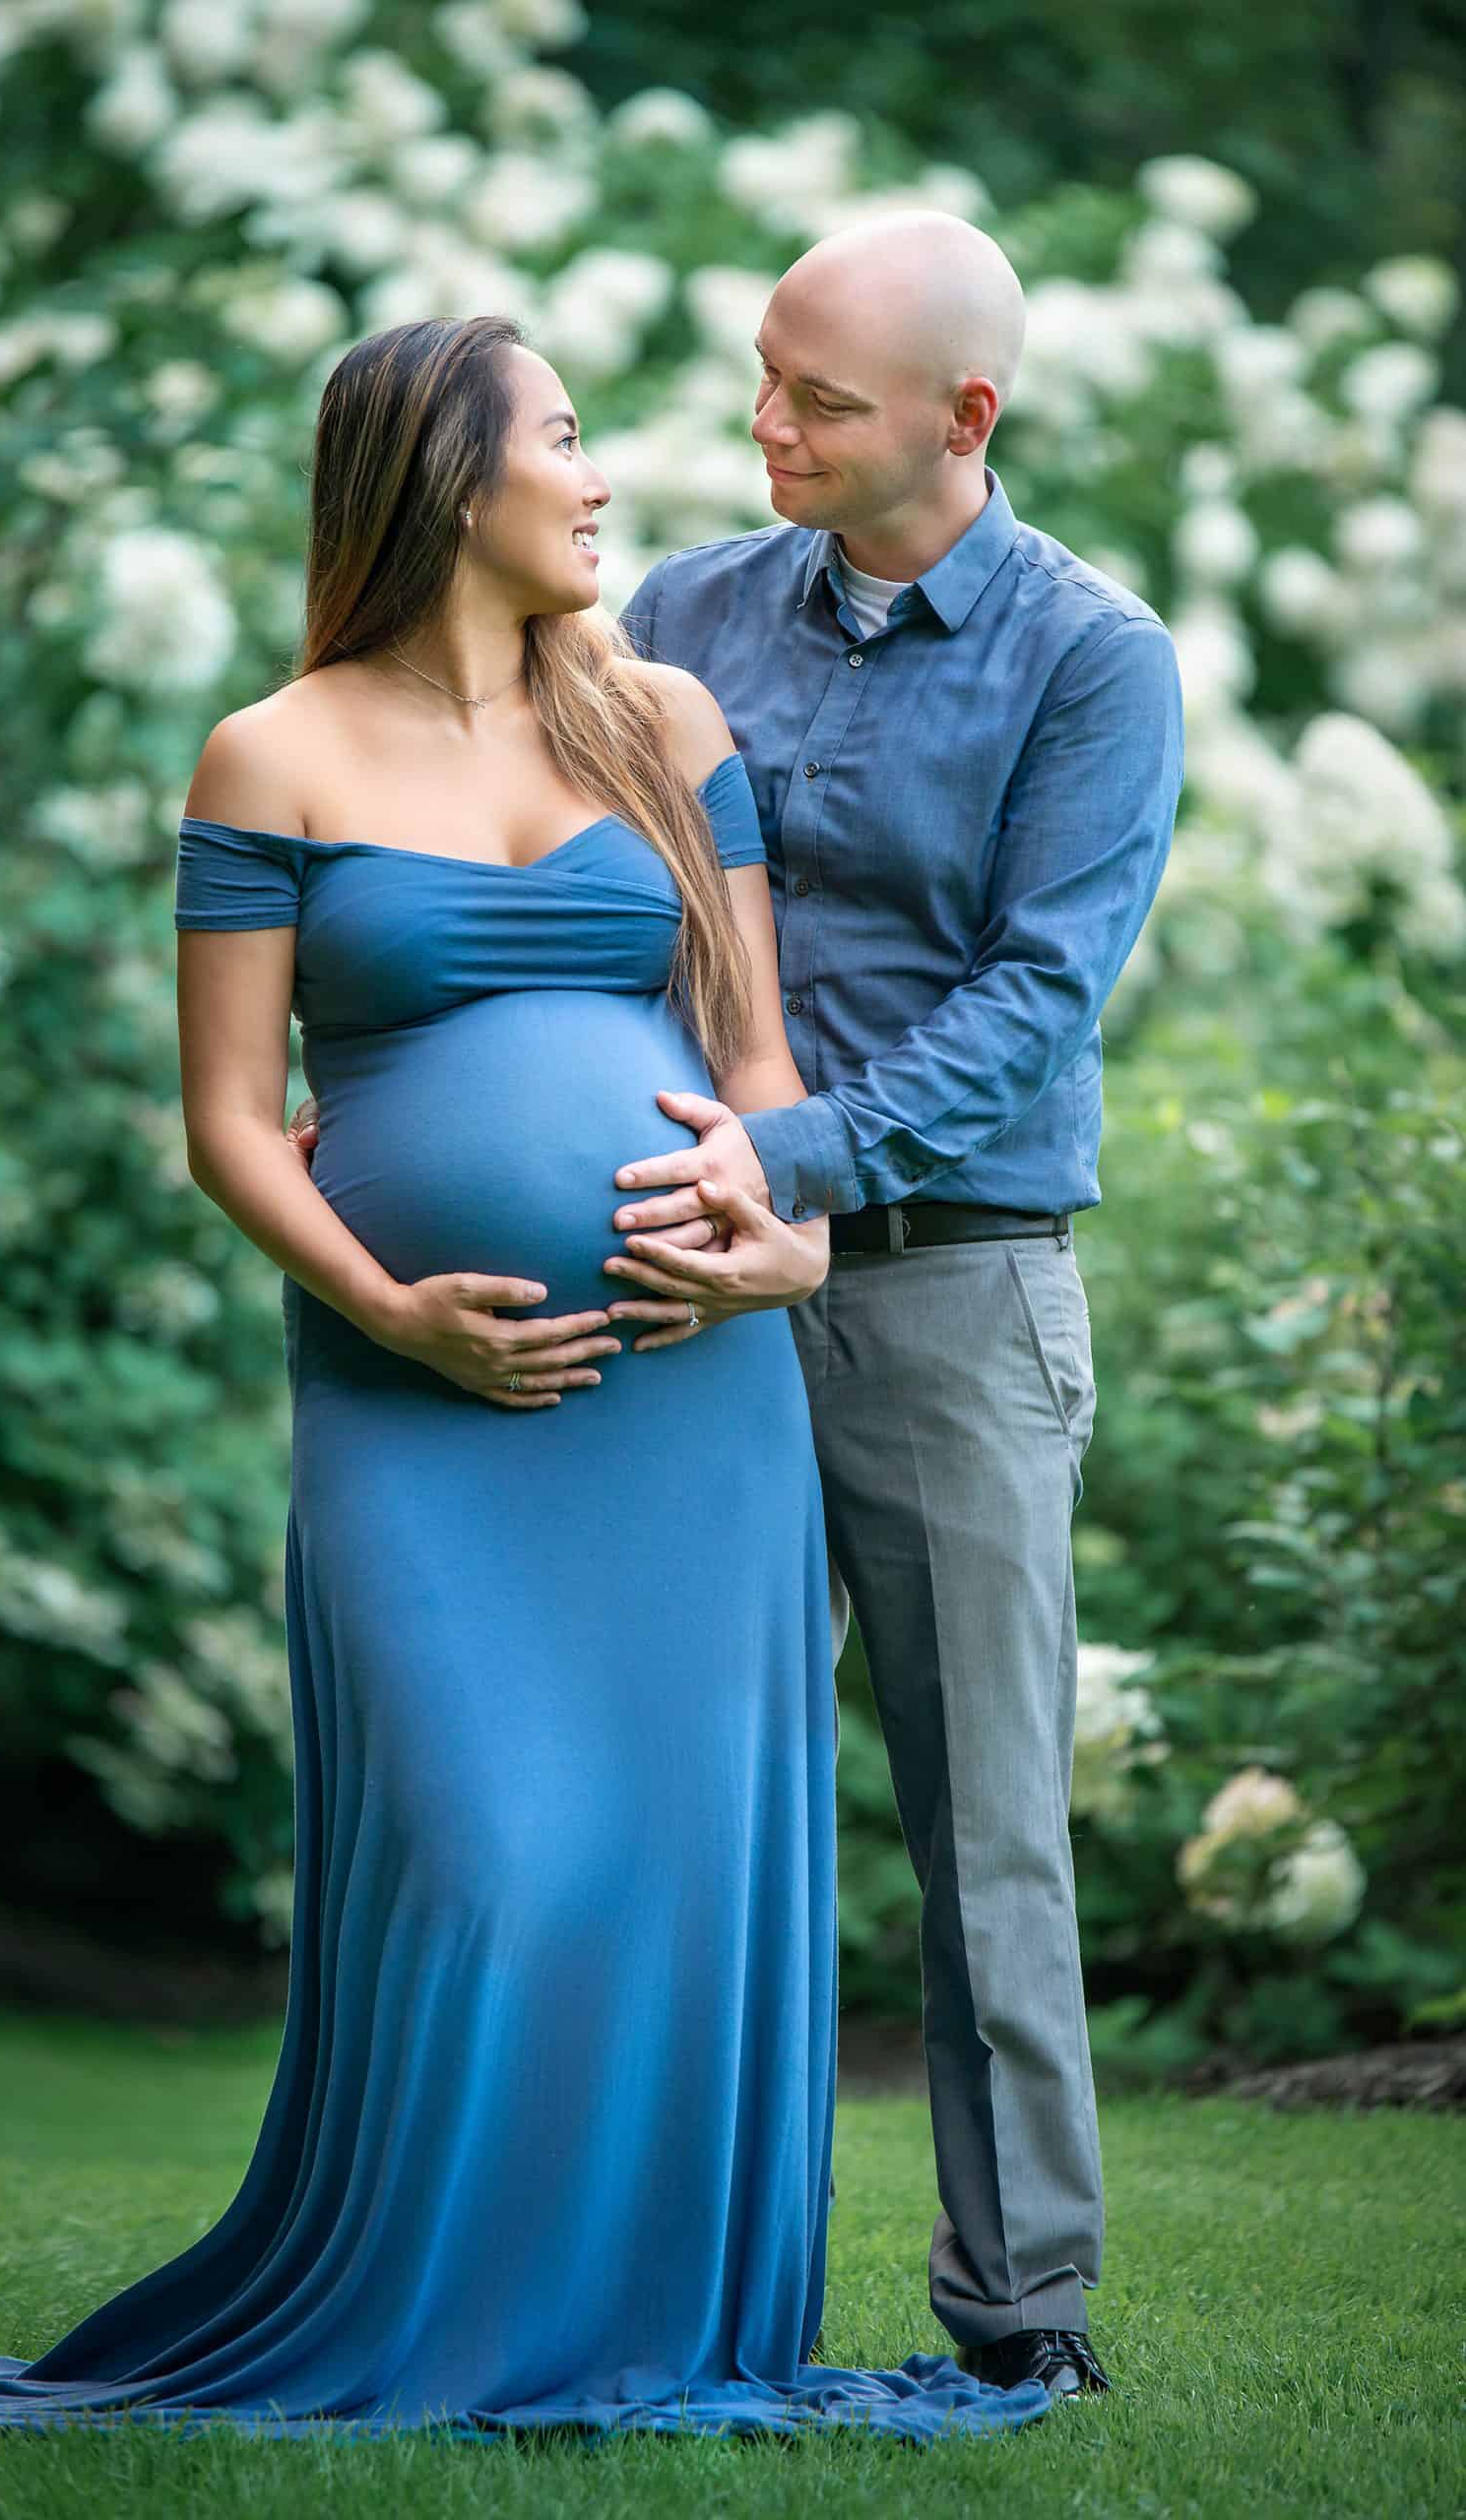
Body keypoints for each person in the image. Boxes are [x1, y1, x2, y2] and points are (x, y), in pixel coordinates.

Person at [0, 315, 1052, 2446]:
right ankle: (423, 2306)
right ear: (445, 479)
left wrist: (778, 1250)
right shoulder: (272, 754)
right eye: (568, 442)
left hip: (685, 1396)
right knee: (490, 1845)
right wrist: (388, 1302)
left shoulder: (664, 723)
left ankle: (625, 2325)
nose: (606, 482)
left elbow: (755, 1057)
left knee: (668, 1865)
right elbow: (232, 1117)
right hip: (412, 1398)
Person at [584, 210, 1186, 2399]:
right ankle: (627, 2288)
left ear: (965, 416)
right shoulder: (674, 612)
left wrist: (795, 1160)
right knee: (673, 1802)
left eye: (816, 400)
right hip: (701, 1291)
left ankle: (1018, 2321)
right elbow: (594, 904)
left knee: (982, 1835)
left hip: (948, 1301)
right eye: (760, 376)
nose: (765, 425)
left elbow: (1033, 1003)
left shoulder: (1089, 656)